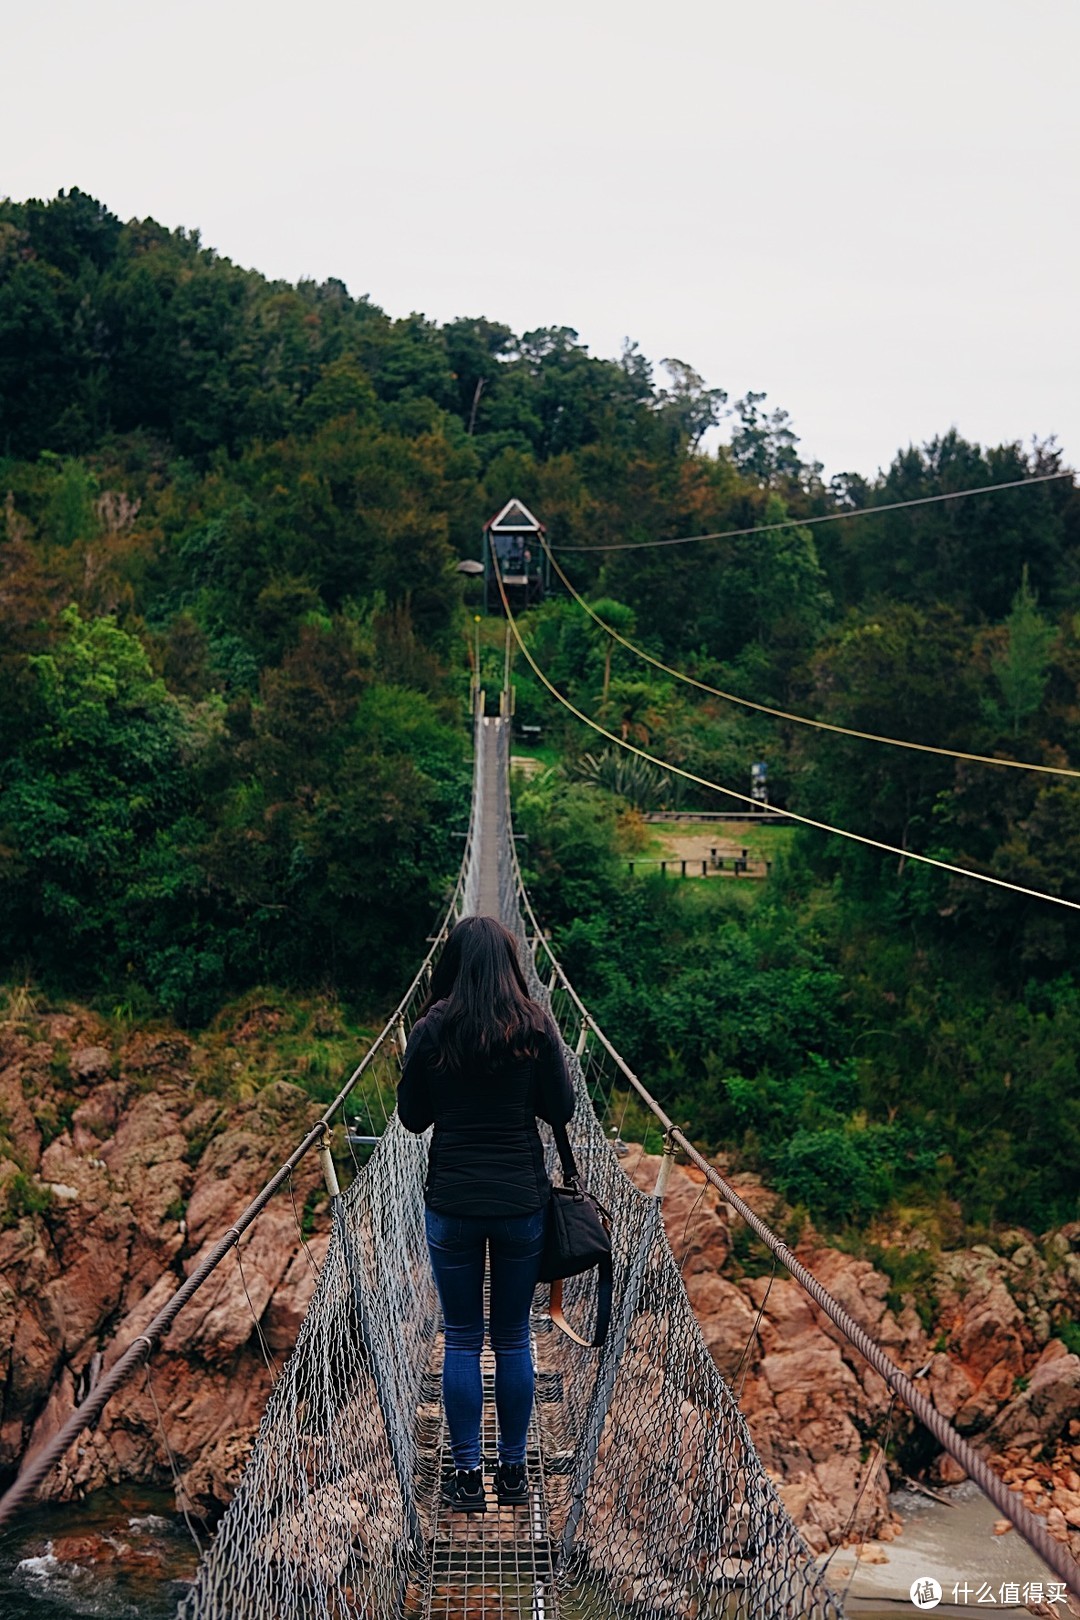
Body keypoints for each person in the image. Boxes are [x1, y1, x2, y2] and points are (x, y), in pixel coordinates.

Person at [398, 915, 574, 1514]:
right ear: (509, 963)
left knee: (464, 1340)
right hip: (521, 1204)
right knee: (514, 1336)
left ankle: (468, 1477)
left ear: (452, 963)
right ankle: (516, 1473)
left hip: (451, 1204)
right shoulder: (535, 1026)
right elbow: (563, 1108)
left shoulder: (431, 1029)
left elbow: (413, 1119)